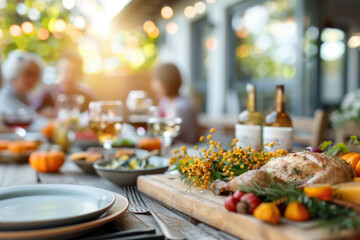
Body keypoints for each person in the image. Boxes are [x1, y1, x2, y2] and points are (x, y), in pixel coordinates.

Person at [30, 51, 96, 117]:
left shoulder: (86, 93)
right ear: (59, 70)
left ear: (80, 73)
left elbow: (96, 111)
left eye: (74, 72)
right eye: (66, 70)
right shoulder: (48, 93)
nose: (70, 76)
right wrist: (48, 113)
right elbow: (32, 111)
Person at [151, 63, 199, 144]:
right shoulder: (165, 101)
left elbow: (171, 136)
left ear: (165, 82)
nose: (153, 86)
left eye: (156, 81)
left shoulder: (183, 106)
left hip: (184, 150)